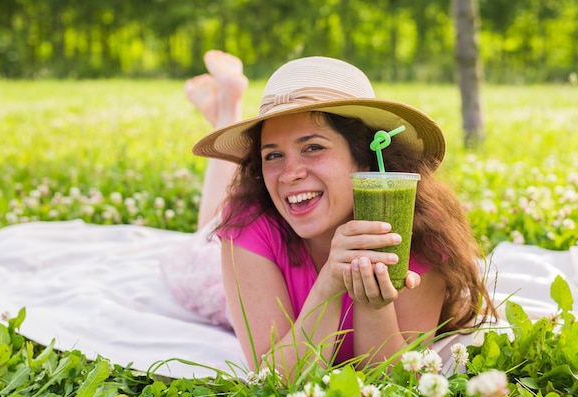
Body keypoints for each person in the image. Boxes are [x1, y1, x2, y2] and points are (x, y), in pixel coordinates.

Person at [164, 51, 496, 377]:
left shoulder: (419, 231)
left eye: (313, 147)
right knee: (208, 229)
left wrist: (372, 302)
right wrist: (330, 284)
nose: (289, 173)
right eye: (272, 155)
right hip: (223, 273)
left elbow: (390, 380)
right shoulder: (249, 223)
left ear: (365, 157)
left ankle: (226, 105)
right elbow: (277, 378)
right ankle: (227, 109)